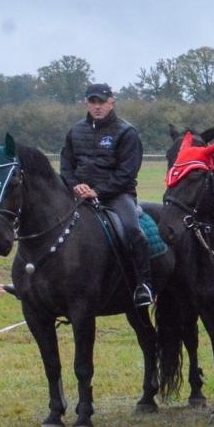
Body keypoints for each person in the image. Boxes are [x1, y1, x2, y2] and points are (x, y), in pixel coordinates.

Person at [60, 83, 154, 307]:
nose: (97, 106)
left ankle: (144, 284)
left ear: (112, 102)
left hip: (117, 195)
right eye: (92, 102)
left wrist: (98, 191)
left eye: (101, 102)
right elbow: (66, 165)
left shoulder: (126, 132)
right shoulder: (75, 131)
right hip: (79, 193)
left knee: (132, 230)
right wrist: (76, 185)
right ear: (86, 103)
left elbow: (127, 172)